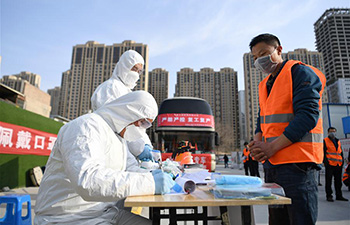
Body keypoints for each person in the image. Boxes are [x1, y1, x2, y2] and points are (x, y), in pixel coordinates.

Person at [34, 91, 175, 225]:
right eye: (144, 123)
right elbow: (88, 181)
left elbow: (129, 170)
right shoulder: (86, 126)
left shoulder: (118, 138)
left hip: (104, 213)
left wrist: (155, 175)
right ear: (130, 112)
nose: (142, 129)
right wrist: (150, 182)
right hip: (68, 218)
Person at [248, 33, 326, 225]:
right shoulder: (264, 85)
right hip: (272, 166)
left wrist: (271, 147)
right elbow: (262, 118)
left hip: (297, 166)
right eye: (256, 58)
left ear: (279, 50)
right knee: (277, 220)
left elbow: (307, 116)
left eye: (264, 53)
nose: (260, 61)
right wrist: (258, 142)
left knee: (299, 220)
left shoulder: (300, 73)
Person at [91, 50, 154, 162]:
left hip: (125, 151)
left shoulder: (128, 92)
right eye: (134, 69)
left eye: (139, 71)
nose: (136, 74)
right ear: (123, 66)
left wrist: (147, 145)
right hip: (109, 147)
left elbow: (136, 126)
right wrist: (139, 148)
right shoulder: (110, 88)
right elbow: (117, 122)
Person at [323, 127, 348, 201]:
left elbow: (340, 152)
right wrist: (326, 162)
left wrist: (342, 161)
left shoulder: (338, 141)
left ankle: (339, 195)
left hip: (338, 164)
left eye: (334, 131)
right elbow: (323, 153)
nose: (332, 133)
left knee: (338, 181)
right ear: (328, 132)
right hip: (330, 164)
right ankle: (329, 195)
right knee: (329, 181)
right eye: (331, 131)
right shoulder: (325, 141)